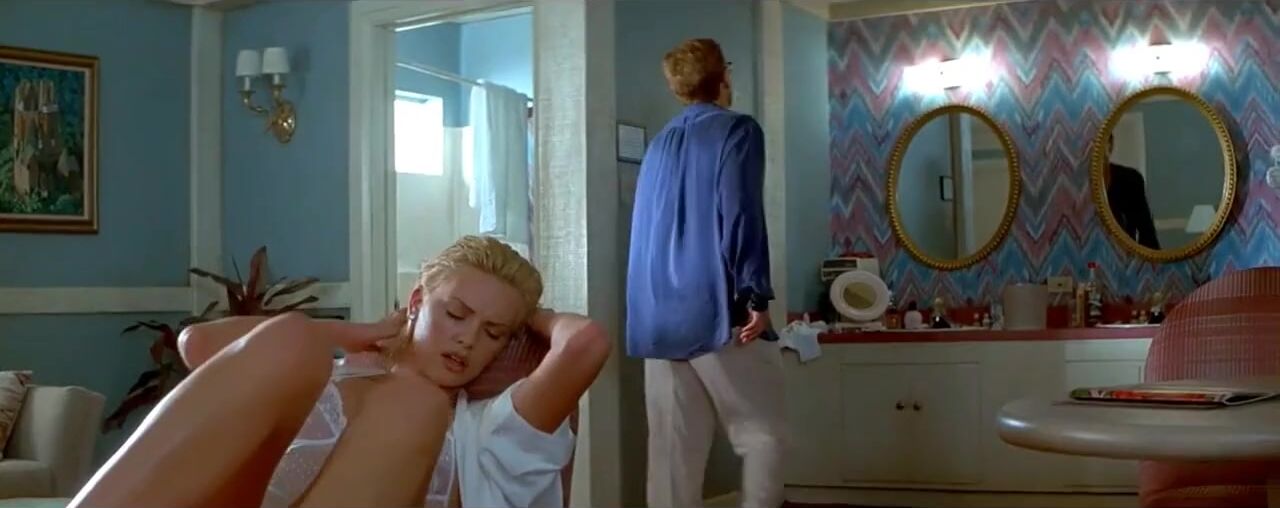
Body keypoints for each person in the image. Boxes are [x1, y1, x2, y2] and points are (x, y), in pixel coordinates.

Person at [68, 235, 611, 508]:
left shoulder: (492, 426)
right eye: (456, 314)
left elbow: (584, 344)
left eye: (493, 332)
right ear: (416, 302)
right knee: (290, 339)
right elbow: (198, 343)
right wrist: (351, 333)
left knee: (414, 402)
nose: (468, 338)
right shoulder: (339, 369)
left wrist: (531, 317)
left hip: (419, 411)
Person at [626, 38, 784, 508]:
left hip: (657, 315)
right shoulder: (738, 130)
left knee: (671, 455)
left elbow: (649, 232)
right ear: (723, 76)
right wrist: (755, 295)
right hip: (714, 307)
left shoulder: (658, 145)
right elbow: (741, 214)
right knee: (762, 434)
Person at [1105, 133, 1161, 249]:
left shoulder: (1129, 180)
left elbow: (1147, 233)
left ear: (1110, 145)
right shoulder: (1075, 184)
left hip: (1125, 255)